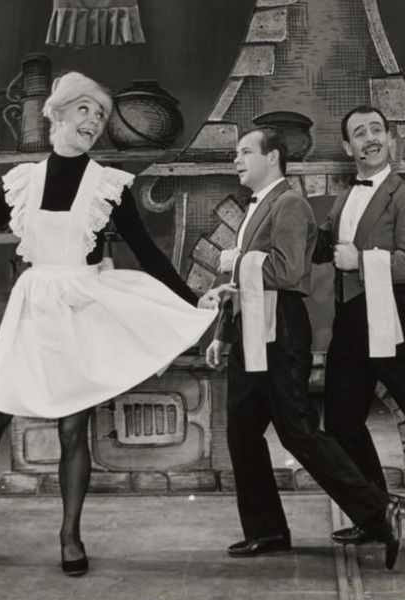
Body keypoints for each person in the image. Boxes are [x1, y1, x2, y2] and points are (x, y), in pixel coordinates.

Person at [0, 71, 226, 576]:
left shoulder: (108, 185)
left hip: (80, 309)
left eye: (100, 115)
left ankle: (70, 536)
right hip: (32, 307)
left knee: (72, 430)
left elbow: (148, 254)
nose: (94, 121)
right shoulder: (23, 180)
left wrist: (193, 301)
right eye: (85, 109)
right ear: (56, 114)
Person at [205, 125, 402, 569]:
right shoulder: (256, 206)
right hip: (249, 332)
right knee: (241, 431)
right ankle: (267, 530)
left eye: (245, 152)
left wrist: (237, 260)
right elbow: (241, 286)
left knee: (298, 431)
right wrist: (222, 334)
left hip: (280, 332)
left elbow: (288, 271)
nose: (236, 160)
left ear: (272, 157)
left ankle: (382, 509)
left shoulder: (289, 203)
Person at [313, 105, 405, 546]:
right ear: (348, 147)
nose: (370, 138)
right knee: (341, 424)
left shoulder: (402, 193)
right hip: (350, 323)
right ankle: (378, 516)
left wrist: (363, 262)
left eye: (377, 130)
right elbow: (323, 247)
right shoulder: (344, 198)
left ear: (390, 139)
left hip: (396, 322)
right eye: (360, 133)